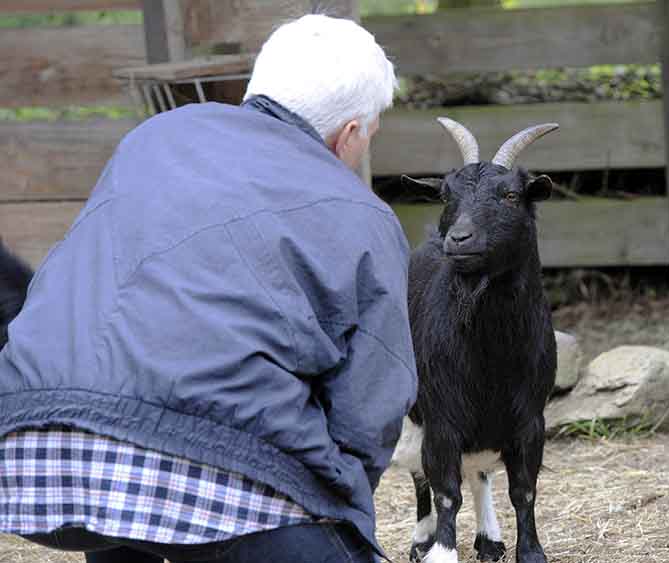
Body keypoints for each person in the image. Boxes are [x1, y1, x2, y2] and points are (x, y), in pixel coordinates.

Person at [0, 14, 416, 563]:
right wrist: (337, 511)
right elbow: (367, 409)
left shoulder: (155, 138)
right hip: (219, 469)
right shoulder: (362, 214)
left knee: (131, 498)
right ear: (351, 134)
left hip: (39, 456)